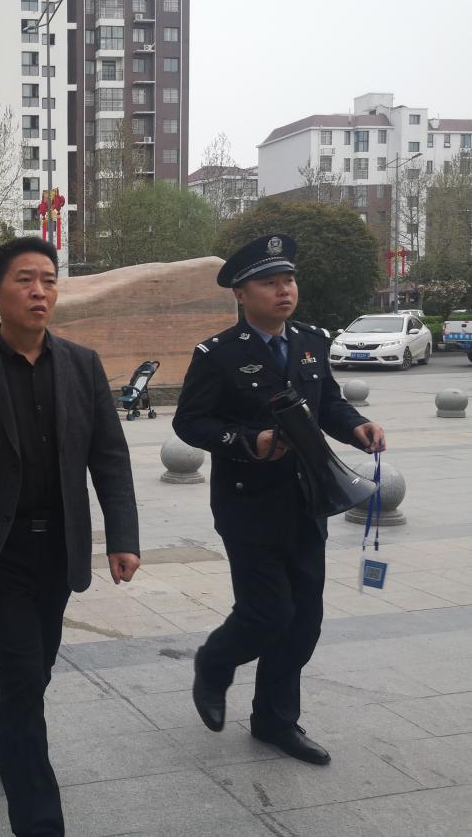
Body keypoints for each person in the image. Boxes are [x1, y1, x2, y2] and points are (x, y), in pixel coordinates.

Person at [0, 237, 140, 836]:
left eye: (48, 280)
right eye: (24, 280)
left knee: (34, 669)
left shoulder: (82, 364)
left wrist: (123, 536)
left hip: (59, 546)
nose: (39, 291)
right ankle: (40, 820)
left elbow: (110, 457)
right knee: (22, 673)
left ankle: (0, 740)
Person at [174, 234, 386, 766]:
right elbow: (190, 422)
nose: (283, 290)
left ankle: (274, 720)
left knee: (304, 620)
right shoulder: (219, 354)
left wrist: (356, 426)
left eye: (288, 280)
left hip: (308, 499)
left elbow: (328, 402)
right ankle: (214, 663)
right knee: (267, 612)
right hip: (247, 504)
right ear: (241, 294)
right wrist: (251, 441)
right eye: (269, 283)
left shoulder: (311, 341)